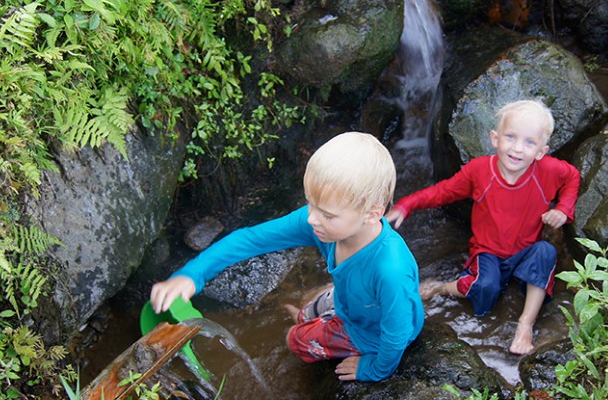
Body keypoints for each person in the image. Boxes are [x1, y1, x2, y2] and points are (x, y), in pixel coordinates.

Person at [150, 132, 424, 382]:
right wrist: (192, 274)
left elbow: (396, 334)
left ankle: (308, 327)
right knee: (306, 310)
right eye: (310, 204)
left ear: (372, 213)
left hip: (372, 333)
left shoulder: (390, 268)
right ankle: (309, 316)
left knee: (295, 339)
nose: (312, 219)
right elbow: (252, 239)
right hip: (353, 303)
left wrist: (373, 369)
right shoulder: (323, 225)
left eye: (326, 214)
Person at [386, 99, 580, 355]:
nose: (518, 149)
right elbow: (444, 192)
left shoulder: (548, 170)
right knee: (485, 291)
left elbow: (572, 177)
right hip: (488, 252)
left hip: (525, 252)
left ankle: (526, 323)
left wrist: (563, 209)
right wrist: (407, 204)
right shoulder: (479, 171)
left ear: (541, 151)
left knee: (546, 252)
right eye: (510, 137)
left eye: (529, 142)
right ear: (495, 138)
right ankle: (443, 287)